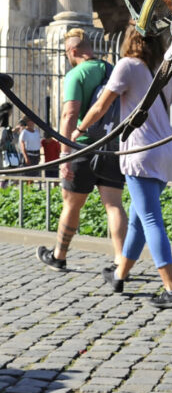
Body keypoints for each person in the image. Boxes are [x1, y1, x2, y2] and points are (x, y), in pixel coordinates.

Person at [74, 24, 172, 309]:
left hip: (140, 153)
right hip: (166, 152)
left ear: (131, 38)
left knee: (151, 219)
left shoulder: (127, 66)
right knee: (138, 219)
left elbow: (101, 106)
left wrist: (79, 128)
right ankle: (119, 275)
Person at [36, 28, 127, 272]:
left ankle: (59, 255)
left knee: (71, 204)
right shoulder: (112, 70)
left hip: (83, 146)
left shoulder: (76, 74)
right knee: (114, 205)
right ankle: (121, 262)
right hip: (110, 147)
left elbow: (70, 114)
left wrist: (65, 155)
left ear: (72, 51)